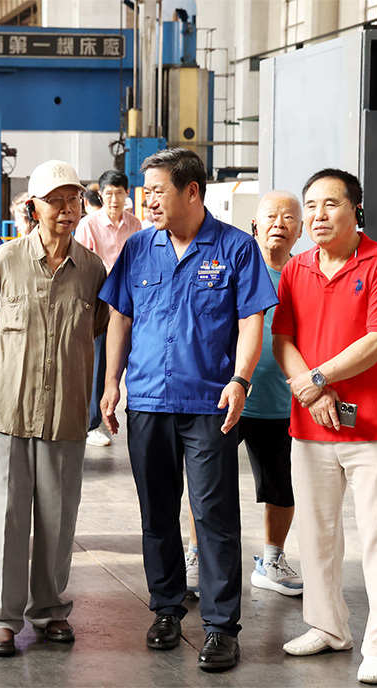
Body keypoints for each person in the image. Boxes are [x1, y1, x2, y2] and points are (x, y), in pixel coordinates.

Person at [99, 148, 277, 672]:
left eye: (158, 191)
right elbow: (120, 318)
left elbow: (251, 320)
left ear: (192, 191)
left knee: (214, 514)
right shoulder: (138, 248)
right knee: (156, 512)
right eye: (146, 192)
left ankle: (221, 626)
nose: (148, 201)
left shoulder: (236, 248)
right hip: (148, 400)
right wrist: (110, 383)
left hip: (209, 403)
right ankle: (167, 609)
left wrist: (240, 380)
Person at [272, 169, 377, 685]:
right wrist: (313, 392)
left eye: (331, 204)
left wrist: (318, 378)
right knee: (316, 534)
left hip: (375, 424)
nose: (317, 215)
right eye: (311, 205)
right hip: (312, 423)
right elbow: (282, 339)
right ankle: (327, 627)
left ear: (356, 210)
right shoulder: (297, 268)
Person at [0, 160, 108, 657]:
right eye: (55, 200)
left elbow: (96, 327)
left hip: (65, 409)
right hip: (7, 409)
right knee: (7, 516)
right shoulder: (4, 260)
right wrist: (16, 366)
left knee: (58, 516)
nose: (66, 209)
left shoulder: (92, 269)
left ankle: (49, 610)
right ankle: (2, 618)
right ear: (34, 206)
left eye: (73, 199)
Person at [182, 190, 305, 597]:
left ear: (301, 230)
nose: (279, 224)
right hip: (229, 398)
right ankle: (197, 556)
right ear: (255, 225)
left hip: (281, 402)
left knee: (282, 486)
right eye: (270, 216)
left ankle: (272, 561)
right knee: (207, 483)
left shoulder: (304, 276)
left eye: (289, 217)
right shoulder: (238, 266)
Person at [75, 170, 143, 448]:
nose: (114, 199)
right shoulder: (88, 225)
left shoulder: (135, 224)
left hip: (128, 303)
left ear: (127, 194)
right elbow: (82, 266)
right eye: (109, 193)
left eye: (119, 193)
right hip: (100, 303)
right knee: (98, 363)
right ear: (101, 195)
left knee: (130, 359)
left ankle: (133, 413)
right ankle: (93, 424)